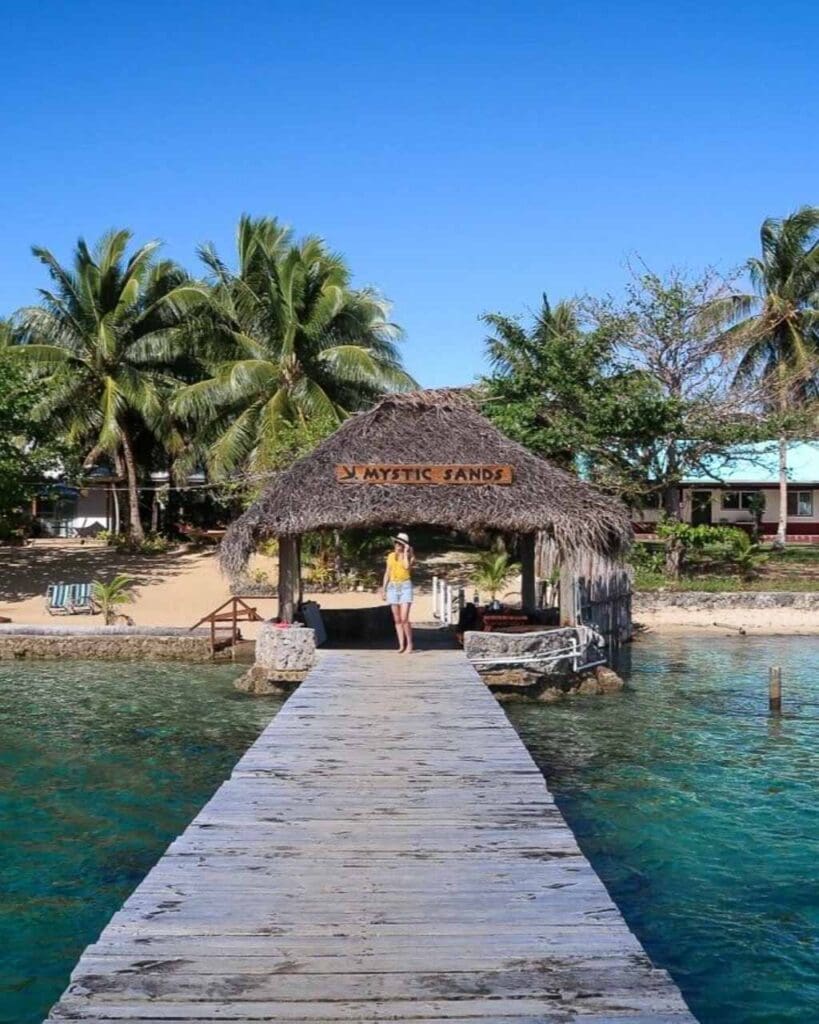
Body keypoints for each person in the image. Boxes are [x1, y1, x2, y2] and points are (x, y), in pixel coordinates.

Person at [382, 531, 415, 653]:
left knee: (404, 617)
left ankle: (409, 644)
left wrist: (406, 552)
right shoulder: (390, 556)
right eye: (396, 543)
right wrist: (384, 589)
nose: (397, 545)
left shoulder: (410, 557)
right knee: (397, 619)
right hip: (393, 586)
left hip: (405, 586)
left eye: (400, 543)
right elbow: (387, 572)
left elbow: (406, 567)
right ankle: (401, 644)